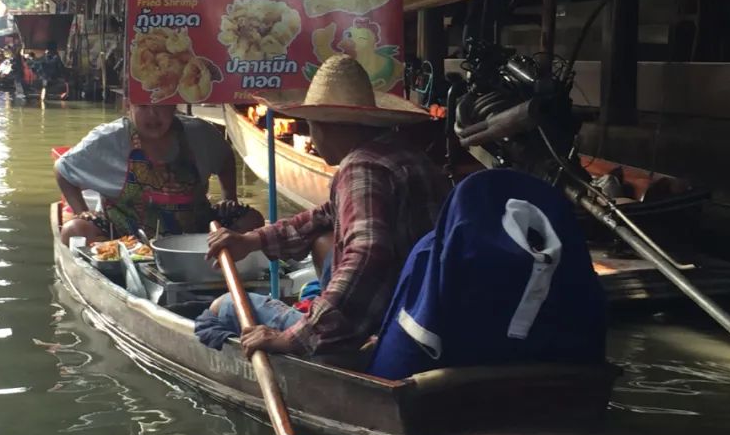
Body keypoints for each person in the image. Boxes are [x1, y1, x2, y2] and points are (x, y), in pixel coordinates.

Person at [203, 55, 448, 358]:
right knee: (322, 236)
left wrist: (296, 337)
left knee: (223, 307)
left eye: (310, 127)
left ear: (326, 127)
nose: (311, 137)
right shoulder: (405, 156)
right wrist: (250, 241)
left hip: (382, 330)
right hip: (423, 315)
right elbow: (322, 216)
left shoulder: (361, 168)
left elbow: (368, 252)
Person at [56, 103, 264, 245]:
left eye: (161, 106)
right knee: (74, 230)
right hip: (124, 237)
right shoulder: (110, 139)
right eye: (144, 106)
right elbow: (62, 169)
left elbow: (226, 158)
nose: (153, 115)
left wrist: (230, 197)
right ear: (129, 104)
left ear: (175, 105)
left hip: (198, 234)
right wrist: (82, 211)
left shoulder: (199, 132)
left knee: (252, 219)